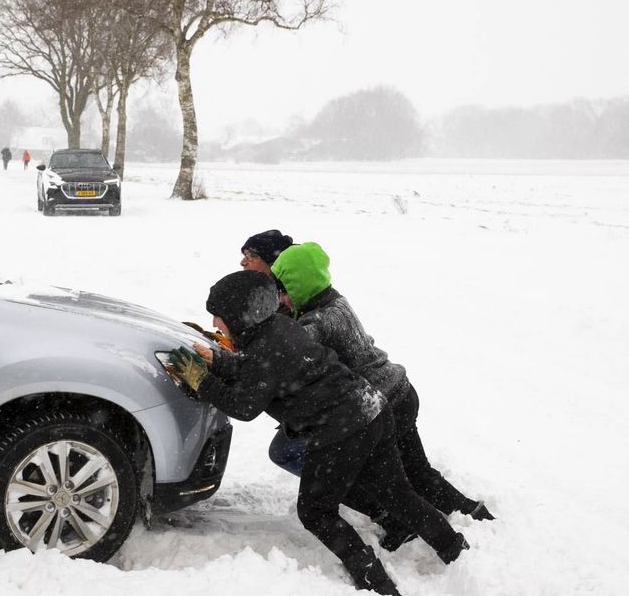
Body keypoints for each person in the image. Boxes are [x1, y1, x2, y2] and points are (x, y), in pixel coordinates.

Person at [168, 271, 468, 595]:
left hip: (342, 429)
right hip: (372, 409)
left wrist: (202, 380)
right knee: (397, 493)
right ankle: (456, 551)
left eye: (220, 315)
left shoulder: (267, 346)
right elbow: (256, 370)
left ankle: (374, 581)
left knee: (315, 511)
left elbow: (244, 405)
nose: (214, 320)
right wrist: (219, 361)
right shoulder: (277, 329)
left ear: (242, 317)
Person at [269, 242, 494, 550]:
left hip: (382, 403)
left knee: (396, 484)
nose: (281, 296)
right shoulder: (333, 300)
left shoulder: (317, 322)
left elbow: (287, 358)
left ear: (299, 285)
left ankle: (435, 526)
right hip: (399, 391)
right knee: (417, 475)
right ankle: (472, 513)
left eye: (285, 288)